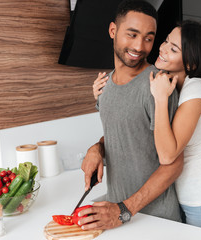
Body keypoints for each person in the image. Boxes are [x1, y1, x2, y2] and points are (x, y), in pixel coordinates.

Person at [93, 20, 201, 233]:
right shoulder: (169, 83)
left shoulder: (196, 88)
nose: (163, 48)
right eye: (166, 41)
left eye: (174, 49)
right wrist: (102, 98)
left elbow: (167, 156)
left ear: (191, 64)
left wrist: (159, 100)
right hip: (185, 199)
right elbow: (136, 125)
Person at [78, 0, 184, 231]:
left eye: (148, 37)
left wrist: (124, 210)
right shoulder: (104, 84)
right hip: (115, 213)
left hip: (156, 218)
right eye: (132, 34)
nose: (140, 46)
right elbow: (125, 133)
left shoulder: (158, 85)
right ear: (113, 31)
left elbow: (174, 163)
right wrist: (97, 148)